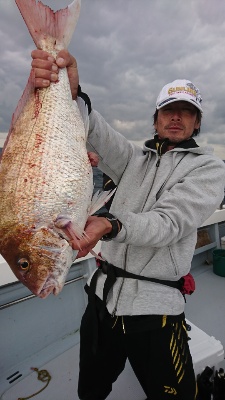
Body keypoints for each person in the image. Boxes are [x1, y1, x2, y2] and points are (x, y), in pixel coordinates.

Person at [31, 49, 225, 400]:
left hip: (155, 312)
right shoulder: (135, 159)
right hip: (101, 299)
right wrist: (72, 92)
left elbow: (170, 222)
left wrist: (111, 225)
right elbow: (96, 133)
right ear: (156, 119)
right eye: (169, 110)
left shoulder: (209, 170)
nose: (177, 117)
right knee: (89, 388)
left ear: (198, 122)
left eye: (187, 112)